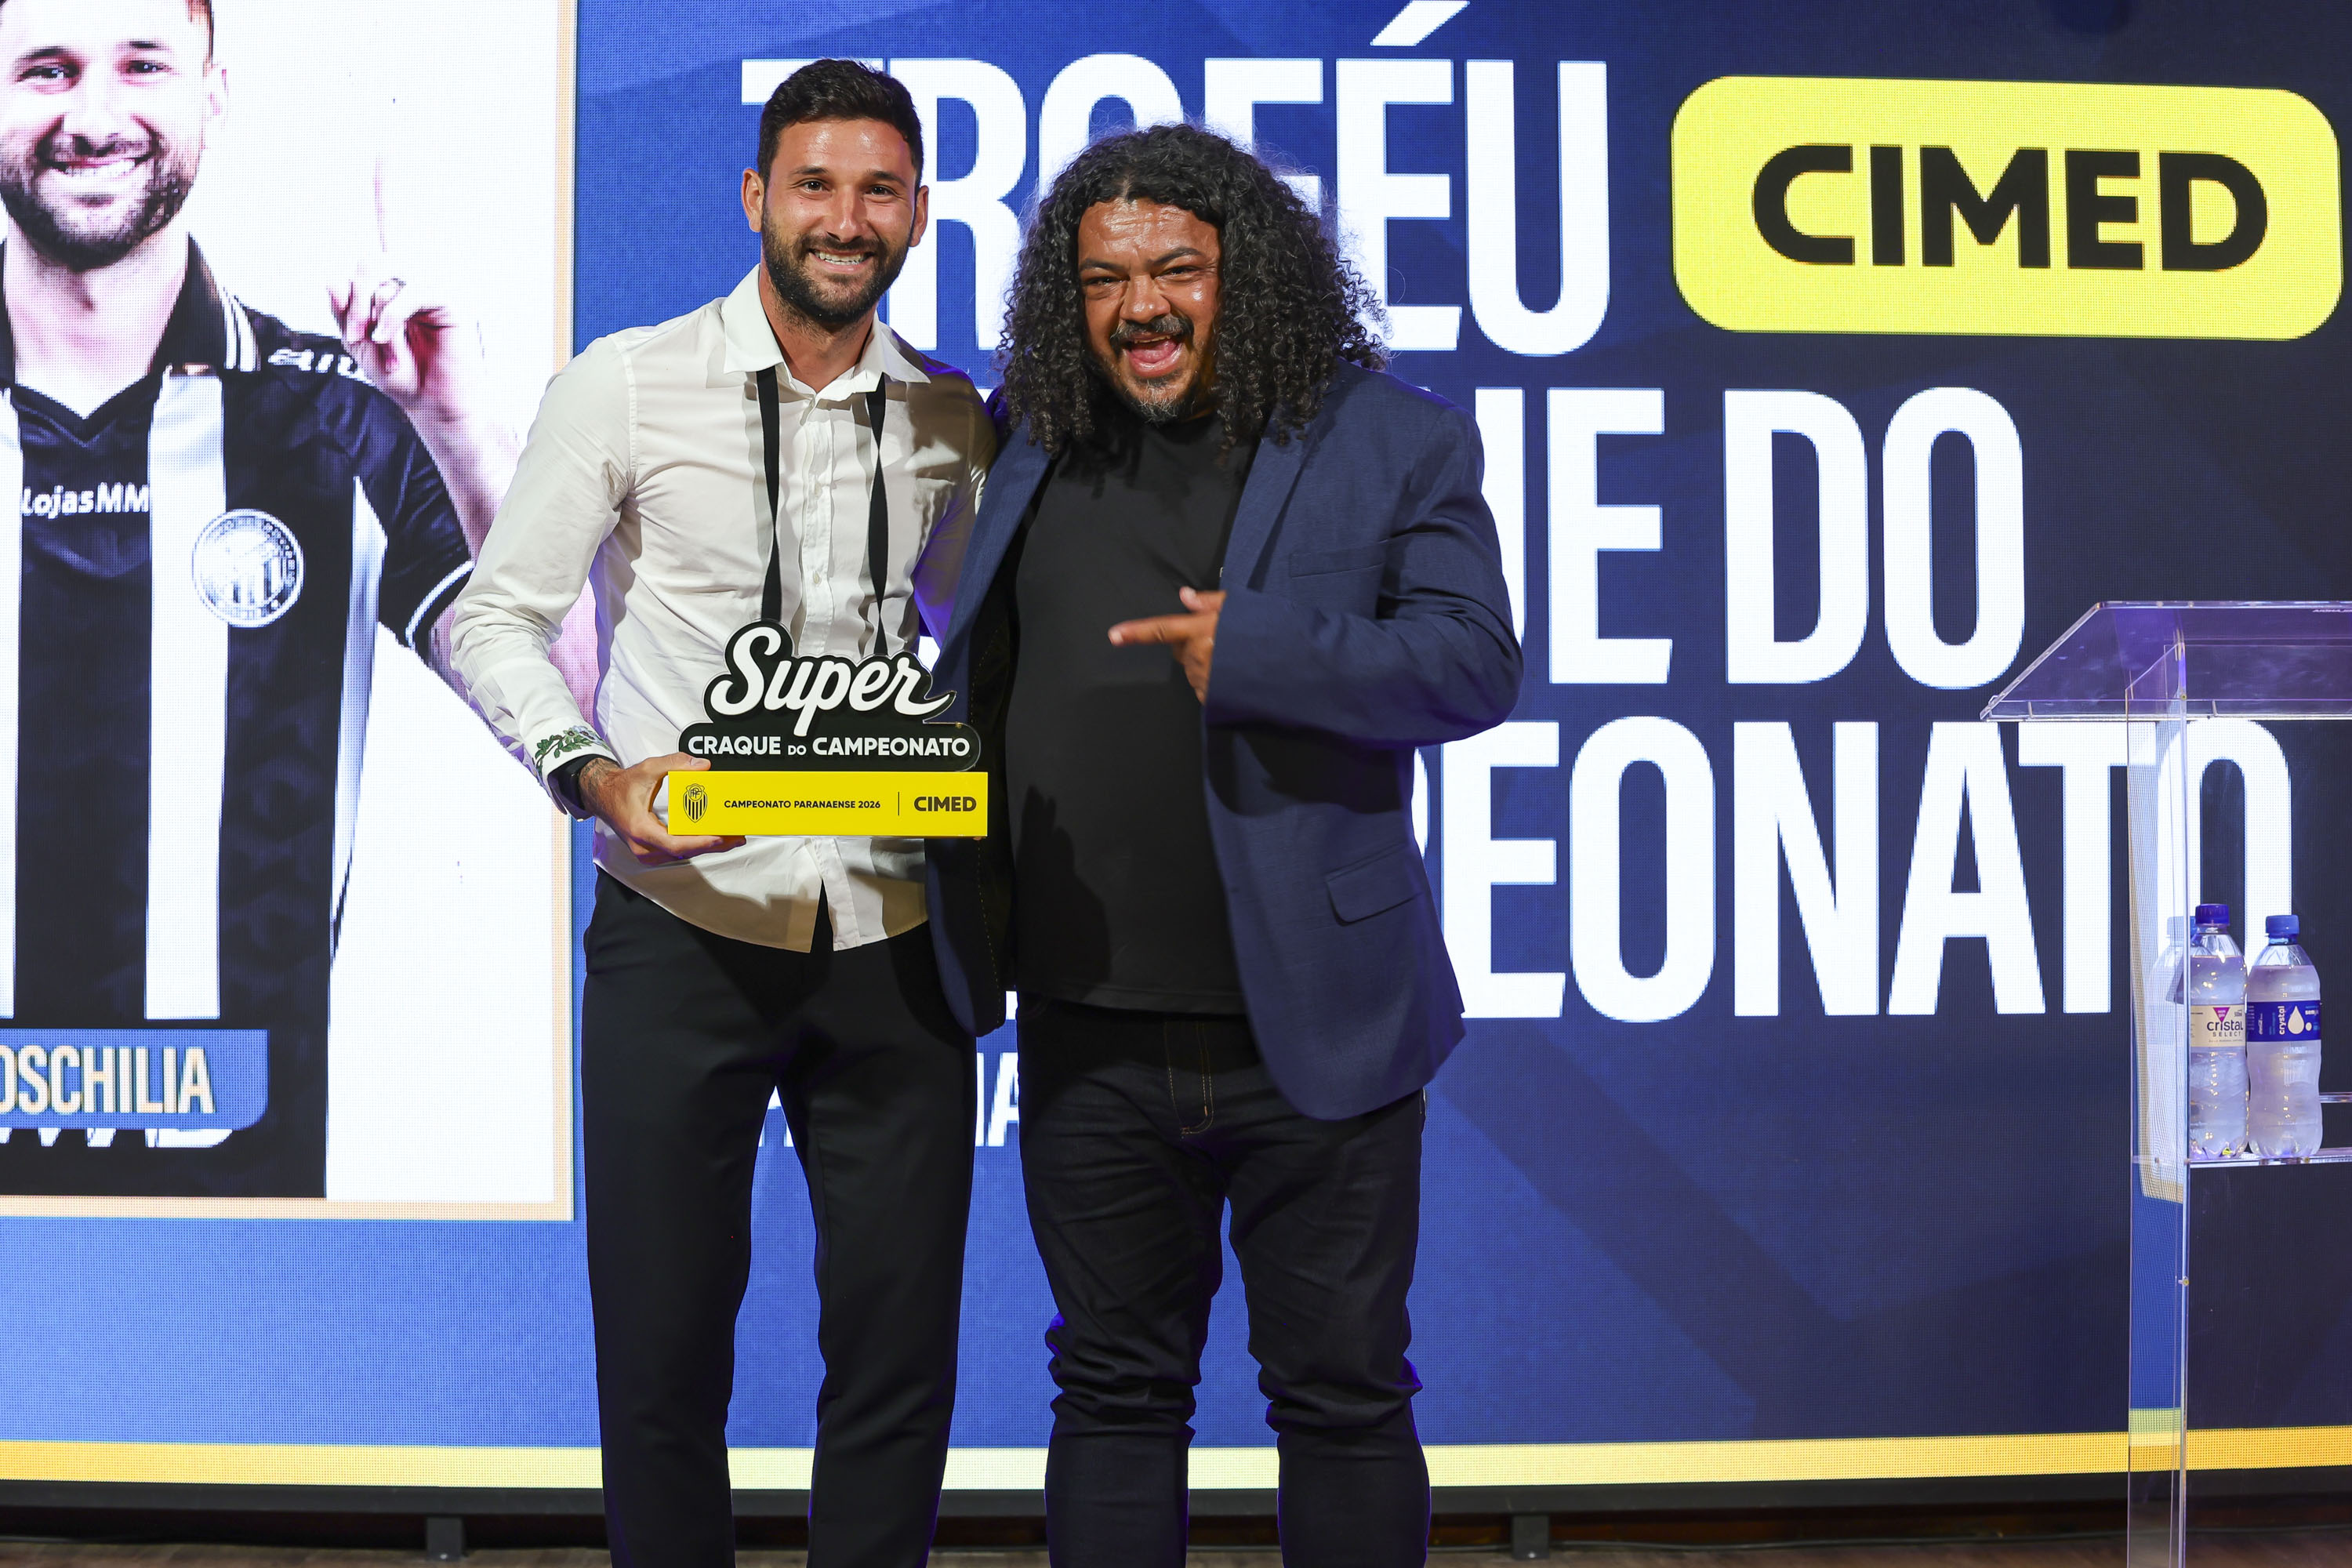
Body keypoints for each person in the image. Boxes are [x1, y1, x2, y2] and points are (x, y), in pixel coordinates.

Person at [925, 124, 1521, 1566]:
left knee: (1343, 1397)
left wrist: (1262, 650)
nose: (1141, 305)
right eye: (1104, 278)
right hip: (1088, 1030)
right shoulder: (1029, 437)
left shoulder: (1394, 437)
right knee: (1112, 1395)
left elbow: (1474, 664)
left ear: (1245, 275)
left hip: (1322, 1025)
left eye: (1177, 269)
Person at [452, 60, 992, 1568]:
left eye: (878, 191)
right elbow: (498, 617)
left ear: (919, 215)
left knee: (898, 1367)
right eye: (815, 185)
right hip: (678, 929)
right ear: (758, 197)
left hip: (895, 932)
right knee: (661, 1363)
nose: (845, 218)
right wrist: (590, 772)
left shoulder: (955, 419)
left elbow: (979, 638)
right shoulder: (626, 383)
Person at [0, 0, 586, 1196]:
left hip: (229, 1218)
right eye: (45, 71)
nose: (94, 115)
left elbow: (590, 726)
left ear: (213, 94)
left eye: (142, 65)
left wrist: (461, 429)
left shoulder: (336, 420)